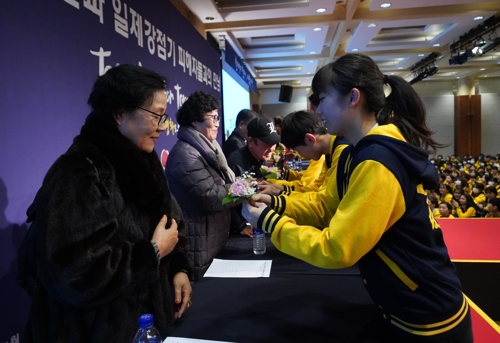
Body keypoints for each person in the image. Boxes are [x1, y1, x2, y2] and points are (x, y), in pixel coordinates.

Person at [243, 54, 472, 342]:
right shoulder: (360, 150)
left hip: (427, 316)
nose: (316, 111)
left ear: (353, 97)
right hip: (410, 306)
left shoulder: (377, 159)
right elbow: (326, 206)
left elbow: (337, 248)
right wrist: (275, 204)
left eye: (322, 98)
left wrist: (269, 221)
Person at [17, 64, 193, 342]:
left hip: (144, 325)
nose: (162, 126)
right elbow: (74, 274)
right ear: (120, 113)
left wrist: (179, 267)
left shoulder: (145, 161)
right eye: (156, 115)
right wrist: (153, 252)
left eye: (164, 115)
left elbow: (172, 222)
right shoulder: (79, 171)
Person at [165, 91, 247, 281]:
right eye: (213, 118)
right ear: (195, 121)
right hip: (198, 245)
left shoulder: (207, 148)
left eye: (218, 117)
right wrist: (244, 189)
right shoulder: (186, 154)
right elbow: (210, 196)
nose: (218, 123)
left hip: (211, 240)